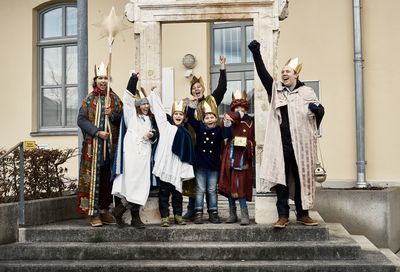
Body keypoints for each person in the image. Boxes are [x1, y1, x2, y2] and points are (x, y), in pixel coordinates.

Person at [248, 40, 325, 229]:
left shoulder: (307, 92)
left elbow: (317, 117)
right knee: (281, 178)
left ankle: (302, 214)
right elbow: (264, 76)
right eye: (282, 72)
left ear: (296, 75)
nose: (284, 74)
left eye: (287, 71)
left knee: (302, 178)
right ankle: (282, 215)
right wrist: (256, 54)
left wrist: (318, 110)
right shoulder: (276, 90)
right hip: (281, 143)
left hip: (302, 145)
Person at [77, 62, 123, 227]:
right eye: (100, 78)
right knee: (93, 180)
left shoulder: (115, 99)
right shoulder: (89, 99)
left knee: (106, 180)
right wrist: (97, 132)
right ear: (95, 80)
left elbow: (123, 120)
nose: (103, 81)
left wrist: (114, 115)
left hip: (110, 148)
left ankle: (104, 211)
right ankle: (94, 213)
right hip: (94, 148)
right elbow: (81, 120)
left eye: (105, 78)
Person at [111, 72, 159, 228]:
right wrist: (133, 79)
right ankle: (133, 217)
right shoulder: (130, 116)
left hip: (145, 157)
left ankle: (119, 211)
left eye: (147, 104)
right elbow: (127, 97)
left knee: (142, 187)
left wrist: (152, 135)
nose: (145, 106)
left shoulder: (150, 119)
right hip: (131, 156)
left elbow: (157, 134)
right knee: (130, 186)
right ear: (137, 105)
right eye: (142, 104)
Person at [183, 55, 227, 220]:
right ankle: (192, 208)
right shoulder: (188, 104)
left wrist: (222, 67)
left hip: (212, 148)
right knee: (195, 180)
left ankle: (212, 211)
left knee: (209, 184)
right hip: (194, 146)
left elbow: (222, 87)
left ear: (203, 89)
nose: (197, 89)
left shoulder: (212, 100)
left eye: (199, 86)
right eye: (194, 87)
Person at [147, 87, 195, 227]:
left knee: (178, 195)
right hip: (166, 167)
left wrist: (185, 170)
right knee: (164, 193)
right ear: (172, 115)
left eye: (181, 114)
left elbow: (187, 154)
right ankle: (165, 217)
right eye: (176, 114)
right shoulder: (165, 127)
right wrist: (155, 95)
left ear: (184, 117)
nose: (178, 116)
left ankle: (178, 216)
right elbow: (160, 113)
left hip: (177, 167)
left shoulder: (186, 134)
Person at [186, 100, 232, 224]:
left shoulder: (218, 130)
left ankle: (213, 212)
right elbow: (190, 119)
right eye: (207, 117)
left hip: (213, 166)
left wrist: (227, 123)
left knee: (212, 190)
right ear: (203, 119)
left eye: (212, 117)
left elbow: (227, 134)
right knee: (200, 189)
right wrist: (191, 107)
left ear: (216, 119)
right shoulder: (199, 128)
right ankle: (198, 213)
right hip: (200, 165)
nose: (210, 119)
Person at [218, 90, 255, 226]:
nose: (240, 111)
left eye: (242, 108)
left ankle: (244, 214)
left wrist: (248, 144)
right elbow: (225, 135)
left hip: (243, 157)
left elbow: (253, 140)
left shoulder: (251, 121)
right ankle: (232, 214)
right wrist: (232, 118)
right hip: (230, 156)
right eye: (237, 108)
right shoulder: (229, 120)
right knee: (229, 184)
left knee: (240, 185)